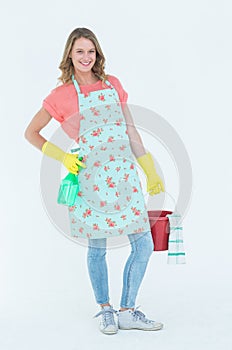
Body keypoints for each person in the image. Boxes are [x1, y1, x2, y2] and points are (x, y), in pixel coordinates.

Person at [24, 27, 165, 335]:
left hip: (125, 176)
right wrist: (62, 157)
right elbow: (31, 132)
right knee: (97, 248)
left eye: (90, 51)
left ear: (97, 53)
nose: (86, 57)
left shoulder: (113, 84)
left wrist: (149, 168)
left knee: (143, 244)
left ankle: (127, 311)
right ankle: (106, 310)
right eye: (79, 52)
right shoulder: (60, 95)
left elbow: (130, 130)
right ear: (69, 56)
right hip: (90, 179)